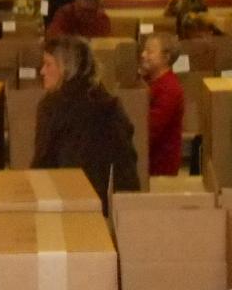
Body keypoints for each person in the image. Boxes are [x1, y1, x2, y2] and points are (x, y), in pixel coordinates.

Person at [32, 35, 139, 214]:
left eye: (48, 64)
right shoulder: (108, 101)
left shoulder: (54, 106)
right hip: (117, 206)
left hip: (73, 204)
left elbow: (44, 163)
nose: (42, 71)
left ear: (66, 68)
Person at [138, 32, 185, 176]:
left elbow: (150, 130)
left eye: (150, 51)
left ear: (166, 57)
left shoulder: (169, 89)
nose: (143, 55)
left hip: (159, 169)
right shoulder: (148, 81)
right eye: (144, 50)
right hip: (148, 163)